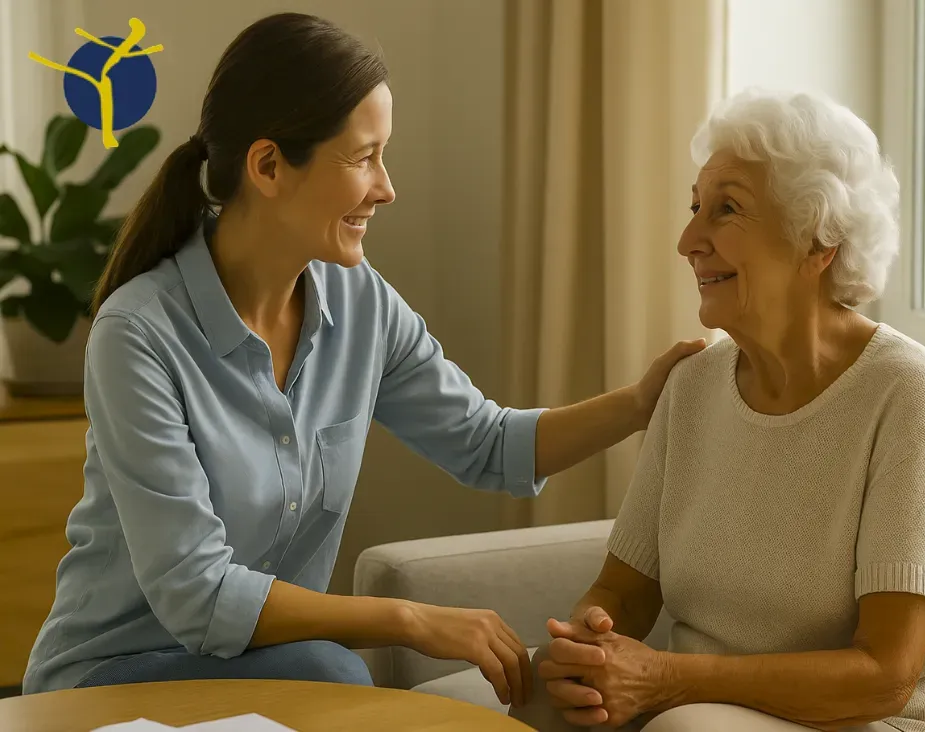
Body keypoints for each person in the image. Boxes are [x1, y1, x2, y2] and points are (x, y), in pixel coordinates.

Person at [22, 12, 704, 700]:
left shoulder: (361, 305)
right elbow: (196, 592)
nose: (386, 186)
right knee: (333, 673)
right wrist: (408, 621)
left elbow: (489, 444)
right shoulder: (138, 334)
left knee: (332, 677)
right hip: (107, 678)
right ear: (267, 166)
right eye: (363, 157)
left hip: (259, 669)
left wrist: (641, 404)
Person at [510, 90, 925, 732]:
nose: (687, 240)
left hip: (879, 720)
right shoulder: (692, 386)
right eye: (694, 209)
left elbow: (886, 676)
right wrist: (590, 642)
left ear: (819, 242)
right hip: (712, 709)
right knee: (542, 690)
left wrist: (666, 681)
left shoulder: (906, 392)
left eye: (726, 210)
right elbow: (623, 590)